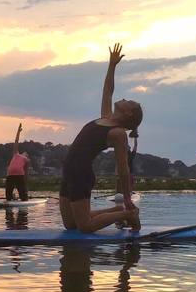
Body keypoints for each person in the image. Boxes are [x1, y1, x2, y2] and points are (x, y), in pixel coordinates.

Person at [59, 43, 142, 233]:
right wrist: (112, 65)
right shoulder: (106, 117)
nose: (123, 99)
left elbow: (123, 167)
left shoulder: (118, 134)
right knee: (70, 224)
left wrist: (128, 199)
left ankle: (128, 214)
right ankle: (116, 210)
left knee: (84, 227)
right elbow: (108, 91)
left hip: (81, 173)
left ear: (129, 113)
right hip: (68, 171)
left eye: (128, 102)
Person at [5, 123, 30, 201]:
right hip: (11, 174)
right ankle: (13, 198)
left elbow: (26, 173)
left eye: (26, 154)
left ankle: (22, 197)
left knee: (22, 195)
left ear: (27, 156)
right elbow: (16, 142)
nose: (25, 153)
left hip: (16, 174)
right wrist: (18, 131)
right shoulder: (16, 154)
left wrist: (25, 186)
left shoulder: (26, 160)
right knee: (9, 195)